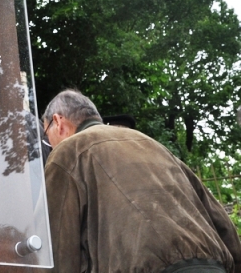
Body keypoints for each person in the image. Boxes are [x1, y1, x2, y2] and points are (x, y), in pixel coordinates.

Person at [42, 89, 241, 273]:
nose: (48, 143)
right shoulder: (152, 144)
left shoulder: (67, 153)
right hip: (212, 267)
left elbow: (58, 245)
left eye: (46, 133)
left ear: (58, 122)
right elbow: (221, 221)